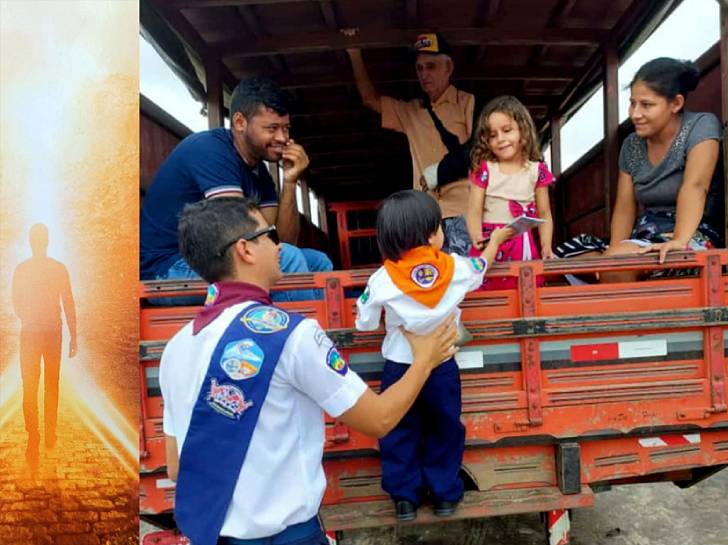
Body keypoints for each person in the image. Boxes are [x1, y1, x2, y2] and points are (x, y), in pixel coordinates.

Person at [160, 197, 457, 545]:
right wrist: (425, 360)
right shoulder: (291, 335)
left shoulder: (176, 347)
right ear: (245, 250)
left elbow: (177, 466)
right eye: (269, 234)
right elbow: (379, 419)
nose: (280, 244)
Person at [355, 190, 512, 521]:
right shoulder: (455, 268)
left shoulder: (382, 279)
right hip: (441, 364)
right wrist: (496, 240)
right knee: (445, 427)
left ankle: (404, 499)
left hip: (400, 368)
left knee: (398, 428)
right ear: (431, 235)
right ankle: (444, 495)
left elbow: (365, 322)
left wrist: (379, 318)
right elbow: (482, 265)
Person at [140, 76, 333, 303]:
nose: (283, 138)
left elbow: (279, 241)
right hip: (168, 270)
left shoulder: (260, 172)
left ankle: (316, 328)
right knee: (288, 259)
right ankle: (293, 334)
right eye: (272, 128)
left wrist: (290, 181)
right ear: (240, 122)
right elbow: (238, 233)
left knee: (317, 261)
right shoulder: (210, 150)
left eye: (286, 128)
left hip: (219, 259)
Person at [346, 32, 476, 255]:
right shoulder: (410, 111)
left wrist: (439, 172)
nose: (424, 74)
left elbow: (479, 151)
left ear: (449, 67)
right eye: (419, 68)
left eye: (431, 66)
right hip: (426, 220)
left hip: (465, 211)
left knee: (468, 283)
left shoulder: (468, 102)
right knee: (430, 283)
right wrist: (354, 53)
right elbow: (370, 99)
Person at [603, 57, 724, 279]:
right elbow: (624, 206)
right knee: (582, 258)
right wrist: (613, 250)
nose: (635, 114)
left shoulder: (700, 126)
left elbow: (695, 186)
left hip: (693, 231)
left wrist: (679, 240)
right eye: (632, 103)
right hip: (647, 232)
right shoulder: (631, 145)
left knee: (617, 263)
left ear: (676, 104)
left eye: (646, 105)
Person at [466, 95, 555, 290]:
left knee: (523, 292)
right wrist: (476, 236)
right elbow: (474, 210)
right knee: (486, 295)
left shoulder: (537, 171)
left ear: (523, 131)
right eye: (492, 135)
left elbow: (544, 213)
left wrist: (546, 246)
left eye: (507, 130)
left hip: (522, 244)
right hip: (490, 244)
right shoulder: (484, 169)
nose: (500, 139)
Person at [12, 223, 77, 464]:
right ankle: (50, 432)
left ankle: (34, 435)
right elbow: (68, 302)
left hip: (30, 333)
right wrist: (74, 335)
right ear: (47, 241)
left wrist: (29, 318)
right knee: (52, 384)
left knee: (29, 386)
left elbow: (15, 302)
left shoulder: (22, 270)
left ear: (31, 242)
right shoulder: (58, 269)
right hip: (53, 333)